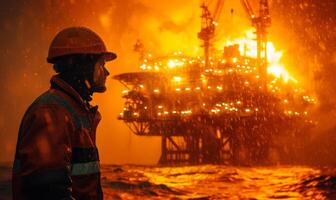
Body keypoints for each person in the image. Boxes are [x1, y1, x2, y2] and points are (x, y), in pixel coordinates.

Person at [12, 27, 117, 200]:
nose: (106, 72)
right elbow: (47, 192)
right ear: (84, 66)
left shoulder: (74, 110)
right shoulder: (53, 113)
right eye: (101, 64)